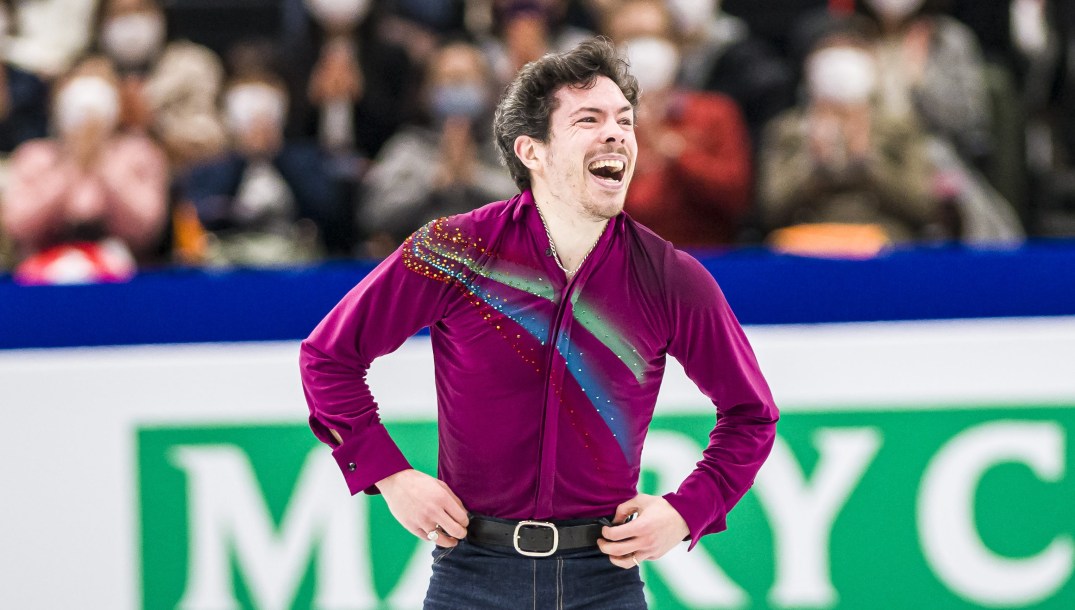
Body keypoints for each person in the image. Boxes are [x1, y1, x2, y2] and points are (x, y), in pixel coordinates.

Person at [299, 37, 778, 608]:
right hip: (470, 576)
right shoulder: (457, 249)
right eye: (589, 119)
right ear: (533, 150)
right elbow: (329, 356)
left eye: (624, 120)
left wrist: (686, 510)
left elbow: (752, 414)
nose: (617, 133)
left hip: (605, 580)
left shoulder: (669, 278)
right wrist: (388, 474)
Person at [601, 0, 753, 247]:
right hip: (620, 261)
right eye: (629, 38)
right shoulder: (594, 122)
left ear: (677, 46)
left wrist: (679, 155)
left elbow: (736, 198)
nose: (643, 50)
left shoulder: (715, 113)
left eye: (656, 37)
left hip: (705, 259)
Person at [358, 40, 517, 255]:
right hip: (422, 268)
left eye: (467, 78)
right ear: (426, 93)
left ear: (488, 90)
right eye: (448, 79)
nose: (458, 85)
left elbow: (535, 208)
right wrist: (433, 182)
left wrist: (473, 177)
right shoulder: (408, 147)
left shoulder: (510, 146)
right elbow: (373, 214)